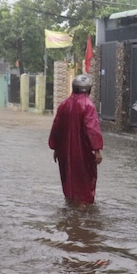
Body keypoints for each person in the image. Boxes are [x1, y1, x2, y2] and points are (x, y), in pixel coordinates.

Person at [48, 74, 104, 205]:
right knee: (84, 184)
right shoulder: (88, 105)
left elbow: (56, 127)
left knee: (68, 183)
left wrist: (55, 148)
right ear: (89, 89)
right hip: (83, 154)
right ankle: (80, 214)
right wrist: (97, 150)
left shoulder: (64, 105)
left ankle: (71, 212)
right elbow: (92, 129)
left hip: (64, 153)